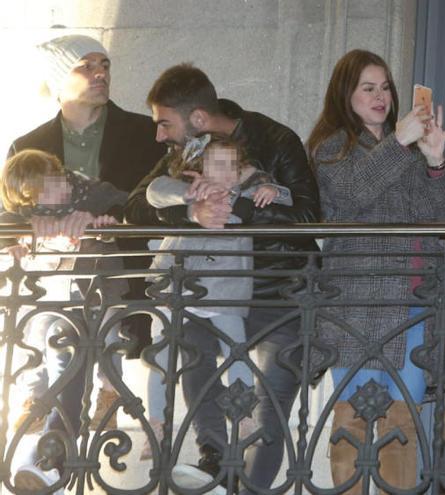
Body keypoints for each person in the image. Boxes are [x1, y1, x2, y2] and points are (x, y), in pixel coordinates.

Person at [124, 64, 320, 492]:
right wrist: (192, 213)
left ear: (196, 118)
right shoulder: (191, 150)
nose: (158, 135)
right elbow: (137, 205)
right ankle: (214, 456)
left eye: (164, 123)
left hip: (275, 294)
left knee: (267, 414)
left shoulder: (276, 139)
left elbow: (308, 216)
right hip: (207, 289)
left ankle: (248, 486)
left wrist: (238, 213)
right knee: (192, 360)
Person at [308, 49, 445, 493]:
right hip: (358, 303)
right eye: (367, 88)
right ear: (345, 94)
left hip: (413, 302)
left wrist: (435, 161)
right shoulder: (331, 146)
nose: (380, 96)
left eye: (385, 87)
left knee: (402, 423)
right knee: (353, 422)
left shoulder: (409, 152)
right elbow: (355, 191)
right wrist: (398, 141)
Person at [8, 34, 166, 432]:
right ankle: (41, 402)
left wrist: (100, 213)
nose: (100, 73)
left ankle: (106, 396)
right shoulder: (28, 145)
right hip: (57, 282)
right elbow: (10, 211)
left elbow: (149, 201)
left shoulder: (145, 134)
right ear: (61, 77)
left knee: (93, 332)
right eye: (86, 65)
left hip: (124, 277)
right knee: (50, 331)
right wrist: (31, 228)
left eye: (105, 64)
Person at [141, 134, 292, 459]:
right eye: (216, 165)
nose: (224, 173)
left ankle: (243, 414)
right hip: (175, 288)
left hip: (224, 291)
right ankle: (156, 424)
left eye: (231, 166)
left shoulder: (243, 195)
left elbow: (288, 201)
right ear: (199, 167)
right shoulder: (187, 192)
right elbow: (154, 191)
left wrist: (273, 190)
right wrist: (189, 195)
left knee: (237, 353)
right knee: (162, 359)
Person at [0, 150, 127, 491]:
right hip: (56, 309)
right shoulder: (24, 214)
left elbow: (123, 202)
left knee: (68, 366)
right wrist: (18, 235)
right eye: (43, 192)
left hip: (95, 300)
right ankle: (50, 460)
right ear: (29, 199)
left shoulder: (89, 192)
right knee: (63, 370)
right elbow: (5, 222)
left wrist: (99, 219)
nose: (57, 192)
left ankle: (49, 460)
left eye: (55, 181)